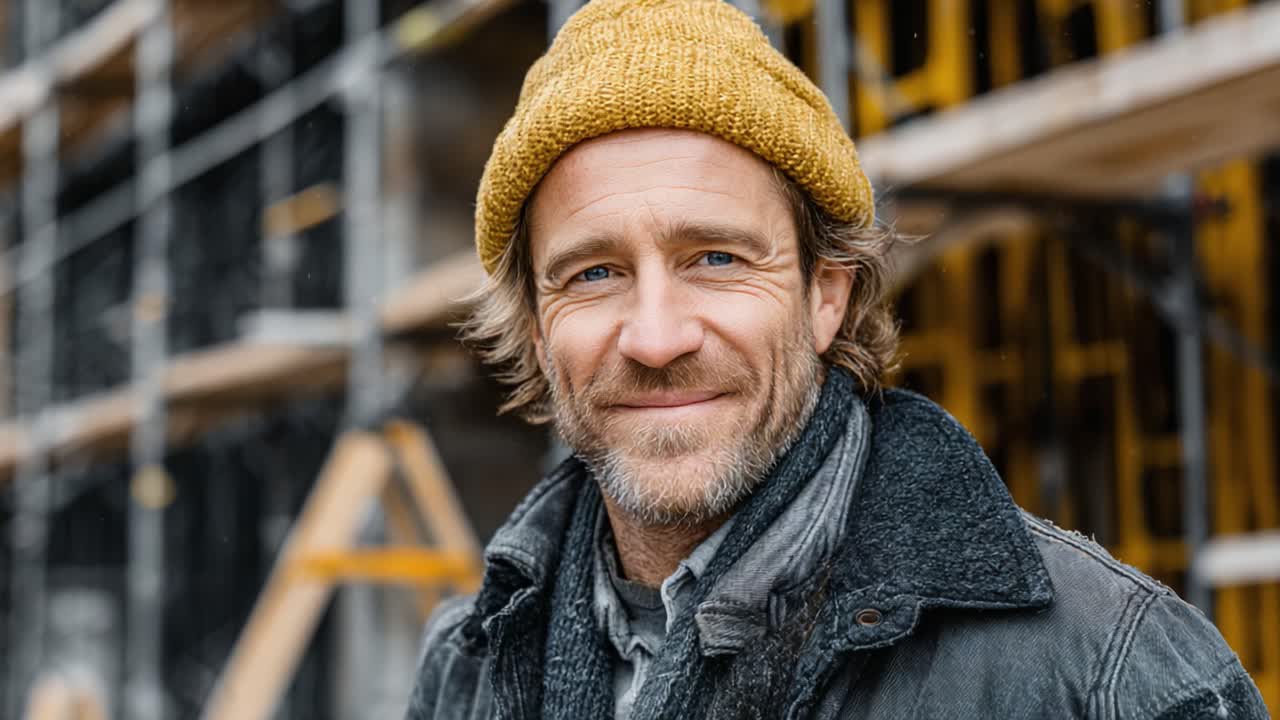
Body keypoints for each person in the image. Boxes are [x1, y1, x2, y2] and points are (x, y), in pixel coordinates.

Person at [405, 0, 1268, 717]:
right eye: (594, 274)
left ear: (826, 296)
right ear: (535, 324)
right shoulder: (468, 664)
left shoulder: (1103, 675)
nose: (657, 337)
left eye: (718, 259)